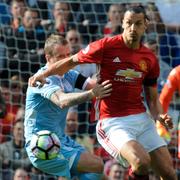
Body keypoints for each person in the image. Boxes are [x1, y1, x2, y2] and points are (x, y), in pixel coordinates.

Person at [28, 6, 177, 180]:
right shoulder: (105, 46)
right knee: (140, 161)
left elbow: (152, 99)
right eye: (129, 23)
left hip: (142, 119)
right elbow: (70, 61)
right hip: (113, 122)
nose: (132, 28)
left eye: (137, 24)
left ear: (146, 25)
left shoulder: (149, 58)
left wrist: (160, 115)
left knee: (169, 173)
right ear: (122, 23)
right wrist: (43, 73)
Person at [24, 34, 112, 179]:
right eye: (60, 56)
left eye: (68, 55)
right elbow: (62, 100)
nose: (66, 60)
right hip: (41, 145)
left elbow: (94, 85)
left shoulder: (68, 74)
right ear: (48, 58)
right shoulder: (40, 80)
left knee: (97, 174)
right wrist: (92, 93)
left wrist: (107, 72)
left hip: (59, 139)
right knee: (97, 165)